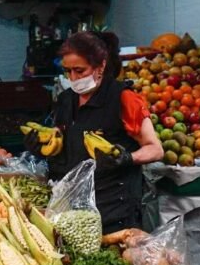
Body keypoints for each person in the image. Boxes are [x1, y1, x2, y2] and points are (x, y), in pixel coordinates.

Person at [25, 31, 163, 233]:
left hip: (114, 210)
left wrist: (127, 158)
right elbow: (63, 142)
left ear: (101, 66)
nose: (73, 78)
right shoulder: (66, 100)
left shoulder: (123, 98)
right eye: (68, 71)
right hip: (73, 209)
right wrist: (41, 148)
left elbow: (155, 149)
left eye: (80, 71)